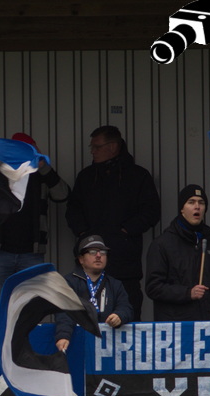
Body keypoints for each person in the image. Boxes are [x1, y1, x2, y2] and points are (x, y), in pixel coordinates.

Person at [54, 234, 133, 396]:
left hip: (106, 360)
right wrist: (63, 335)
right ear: (81, 258)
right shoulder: (69, 282)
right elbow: (64, 311)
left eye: (103, 252)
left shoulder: (115, 284)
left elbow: (127, 307)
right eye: (92, 251)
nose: (99, 255)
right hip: (76, 356)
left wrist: (120, 315)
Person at [65, 125, 161, 320]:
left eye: (97, 147)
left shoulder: (137, 176)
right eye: (92, 147)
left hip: (124, 264)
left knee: (126, 316)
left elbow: (151, 211)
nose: (92, 151)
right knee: (87, 319)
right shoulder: (86, 177)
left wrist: (125, 231)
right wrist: (83, 234)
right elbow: (73, 210)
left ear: (112, 147)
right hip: (89, 265)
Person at [0, 132, 69, 302]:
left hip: (31, 254)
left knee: (32, 305)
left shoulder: (41, 176)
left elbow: (62, 194)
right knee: (0, 305)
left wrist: (43, 166)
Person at [145, 185, 210, 322]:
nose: (197, 207)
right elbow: (153, 287)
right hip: (176, 326)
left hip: (207, 323)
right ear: (182, 208)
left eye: (201, 203)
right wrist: (188, 293)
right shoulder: (162, 244)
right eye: (191, 202)